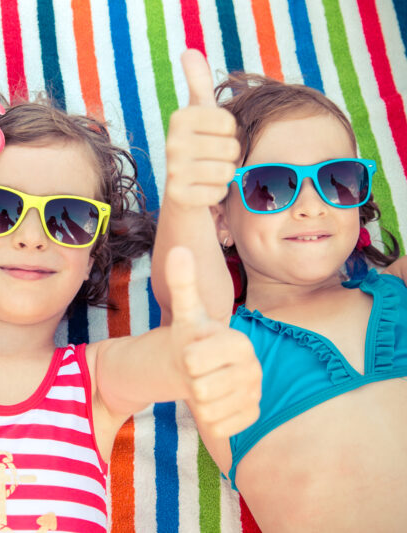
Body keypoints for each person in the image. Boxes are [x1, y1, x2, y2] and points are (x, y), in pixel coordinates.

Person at [0, 87, 262, 532]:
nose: (31, 237)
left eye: (68, 217)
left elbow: (177, 353)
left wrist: (188, 201)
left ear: (92, 257)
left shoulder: (97, 382)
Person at [153, 50, 407, 531]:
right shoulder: (223, 342)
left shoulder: (396, 289)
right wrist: (186, 188)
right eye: (271, 186)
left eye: (337, 180)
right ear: (220, 220)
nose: (311, 205)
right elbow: (182, 282)